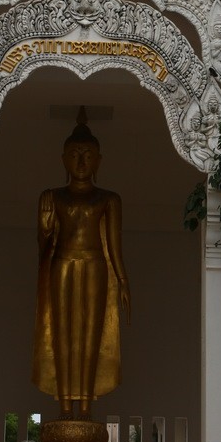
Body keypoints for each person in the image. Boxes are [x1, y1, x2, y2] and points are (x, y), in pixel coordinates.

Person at [32, 109, 130, 418]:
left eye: (88, 155)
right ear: (63, 159)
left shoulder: (108, 199)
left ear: (100, 160)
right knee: (62, 334)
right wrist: (45, 225)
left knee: (91, 334)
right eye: (75, 154)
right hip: (62, 263)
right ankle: (64, 406)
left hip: (95, 265)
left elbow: (114, 247)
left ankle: (85, 406)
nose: (82, 161)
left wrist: (124, 281)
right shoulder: (51, 196)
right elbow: (44, 245)